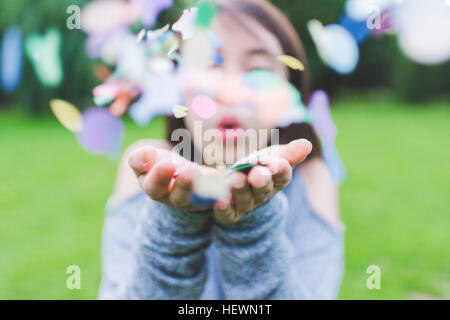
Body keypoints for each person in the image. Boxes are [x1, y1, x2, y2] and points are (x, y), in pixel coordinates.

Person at [98, 0, 344, 300]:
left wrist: (251, 226)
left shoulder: (312, 179)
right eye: (211, 65)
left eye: (257, 69)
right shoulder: (146, 169)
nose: (229, 91)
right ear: (178, 84)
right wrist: (176, 223)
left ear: (288, 89)